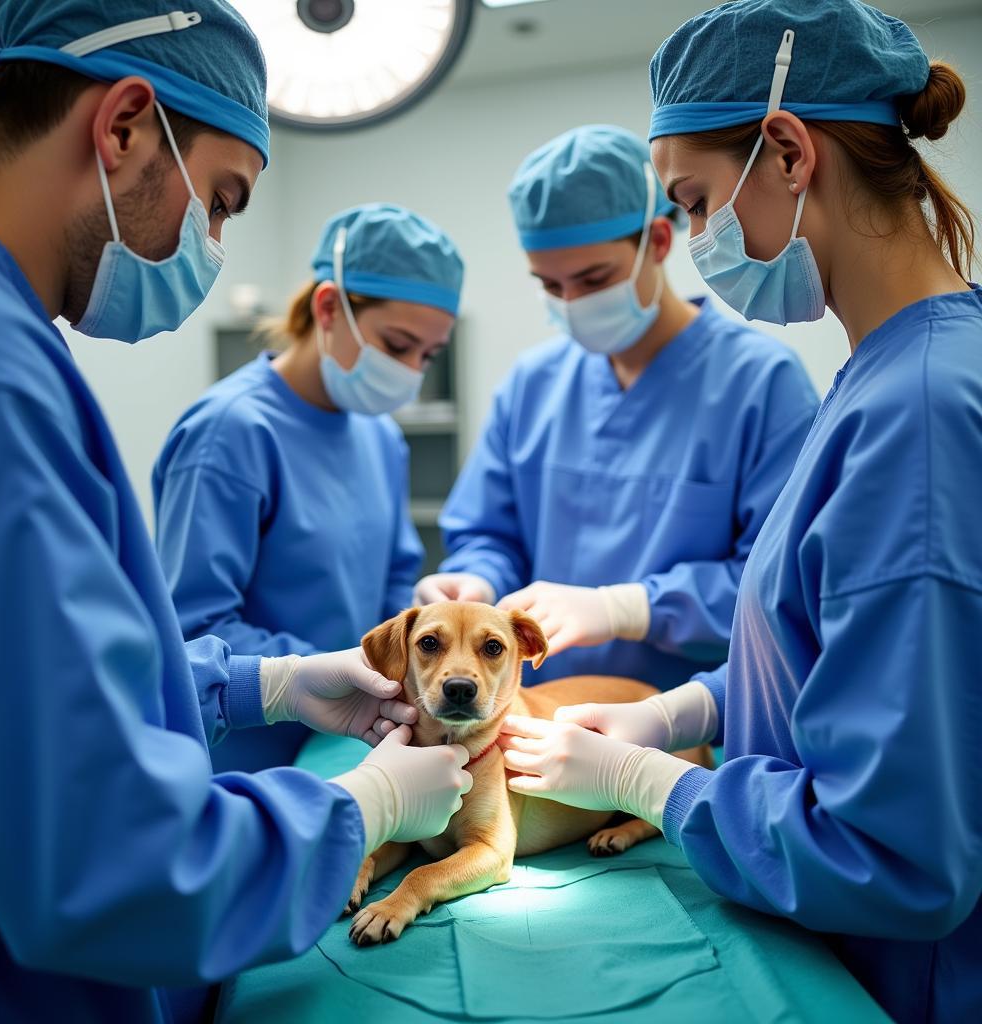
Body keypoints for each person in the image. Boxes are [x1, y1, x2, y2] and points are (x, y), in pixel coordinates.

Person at [0, 4, 470, 1022]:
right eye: (222, 202)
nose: (218, 244)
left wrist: (269, 682)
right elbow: (109, 863)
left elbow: (60, 687)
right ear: (123, 126)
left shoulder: (8, 345)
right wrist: (356, 807)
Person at [498, 3, 982, 1022]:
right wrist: (684, 711)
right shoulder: (882, 378)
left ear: (789, 151)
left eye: (696, 202)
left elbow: (893, 855)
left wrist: (649, 782)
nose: (701, 239)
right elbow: (831, 660)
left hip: (905, 982)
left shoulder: (922, 414)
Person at [417, 124, 818, 688]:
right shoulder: (533, 385)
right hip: (536, 715)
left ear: (657, 241)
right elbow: (490, 534)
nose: (572, 303)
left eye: (592, 278)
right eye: (551, 286)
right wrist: (476, 581)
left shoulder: (760, 385)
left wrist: (629, 609)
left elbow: (779, 582)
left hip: (685, 730)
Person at [154, 203, 462, 773]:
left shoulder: (380, 436)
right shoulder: (230, 433)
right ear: (328, 307)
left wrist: (424, 624)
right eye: (397, 345)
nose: (412, 371)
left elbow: (392, 582)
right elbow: (193, 629)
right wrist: (325, 671)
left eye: (429, 355)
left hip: (351, 746)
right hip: (248, 762)